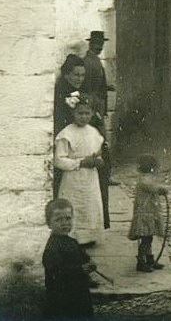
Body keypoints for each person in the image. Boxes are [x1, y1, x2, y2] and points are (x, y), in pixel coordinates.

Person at [54, 95, 106, 247]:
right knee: (75, 204)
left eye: (87, 113)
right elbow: (59, 160)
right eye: (80, 113)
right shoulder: (66, 134)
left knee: (89, 204)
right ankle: (73, 238)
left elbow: (98, 154)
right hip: (73, 178)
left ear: (91, 114)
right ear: (73, 114)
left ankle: (88, 237)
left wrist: (98, 161)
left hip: (90, 177)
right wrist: (80, 162)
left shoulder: (94, 132)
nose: (84, 117)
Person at [42, 198, 95, 318]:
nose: (64, 223)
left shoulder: (72, 241)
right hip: (61, 296)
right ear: (49, 223)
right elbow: (57, 271)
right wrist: (80, 270)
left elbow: (80, 255)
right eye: (58, 220)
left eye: (68, 218)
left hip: (78, 291)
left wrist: (89, 261)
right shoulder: (52, 247)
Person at [81, 30, 118, 187]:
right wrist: (95, 111)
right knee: (102, 143)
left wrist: (107, 86)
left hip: (96, 108)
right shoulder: (89, 62)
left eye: (101, 44)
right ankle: (104, 176)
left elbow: (96, 84)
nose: (100, 46)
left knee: (99, 142)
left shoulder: (93, 60)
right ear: (91, 44)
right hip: (94, 109)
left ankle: (103, 174)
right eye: (97, 44)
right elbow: (88, 88)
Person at [53, 54, 87, 198]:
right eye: (76, 75)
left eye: (82, 75)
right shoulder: (62, 93)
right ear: (67, 75)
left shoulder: (76, 91)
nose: (80, 78)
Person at [128, 154, 168, 273]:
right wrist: (162, 189)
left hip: (149, 213)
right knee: (146, 239)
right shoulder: (144, 180)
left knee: (148, 238)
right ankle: (141, 261)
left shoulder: (147, 178)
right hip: (145, 215)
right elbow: (152, 187)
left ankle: (149, 259)